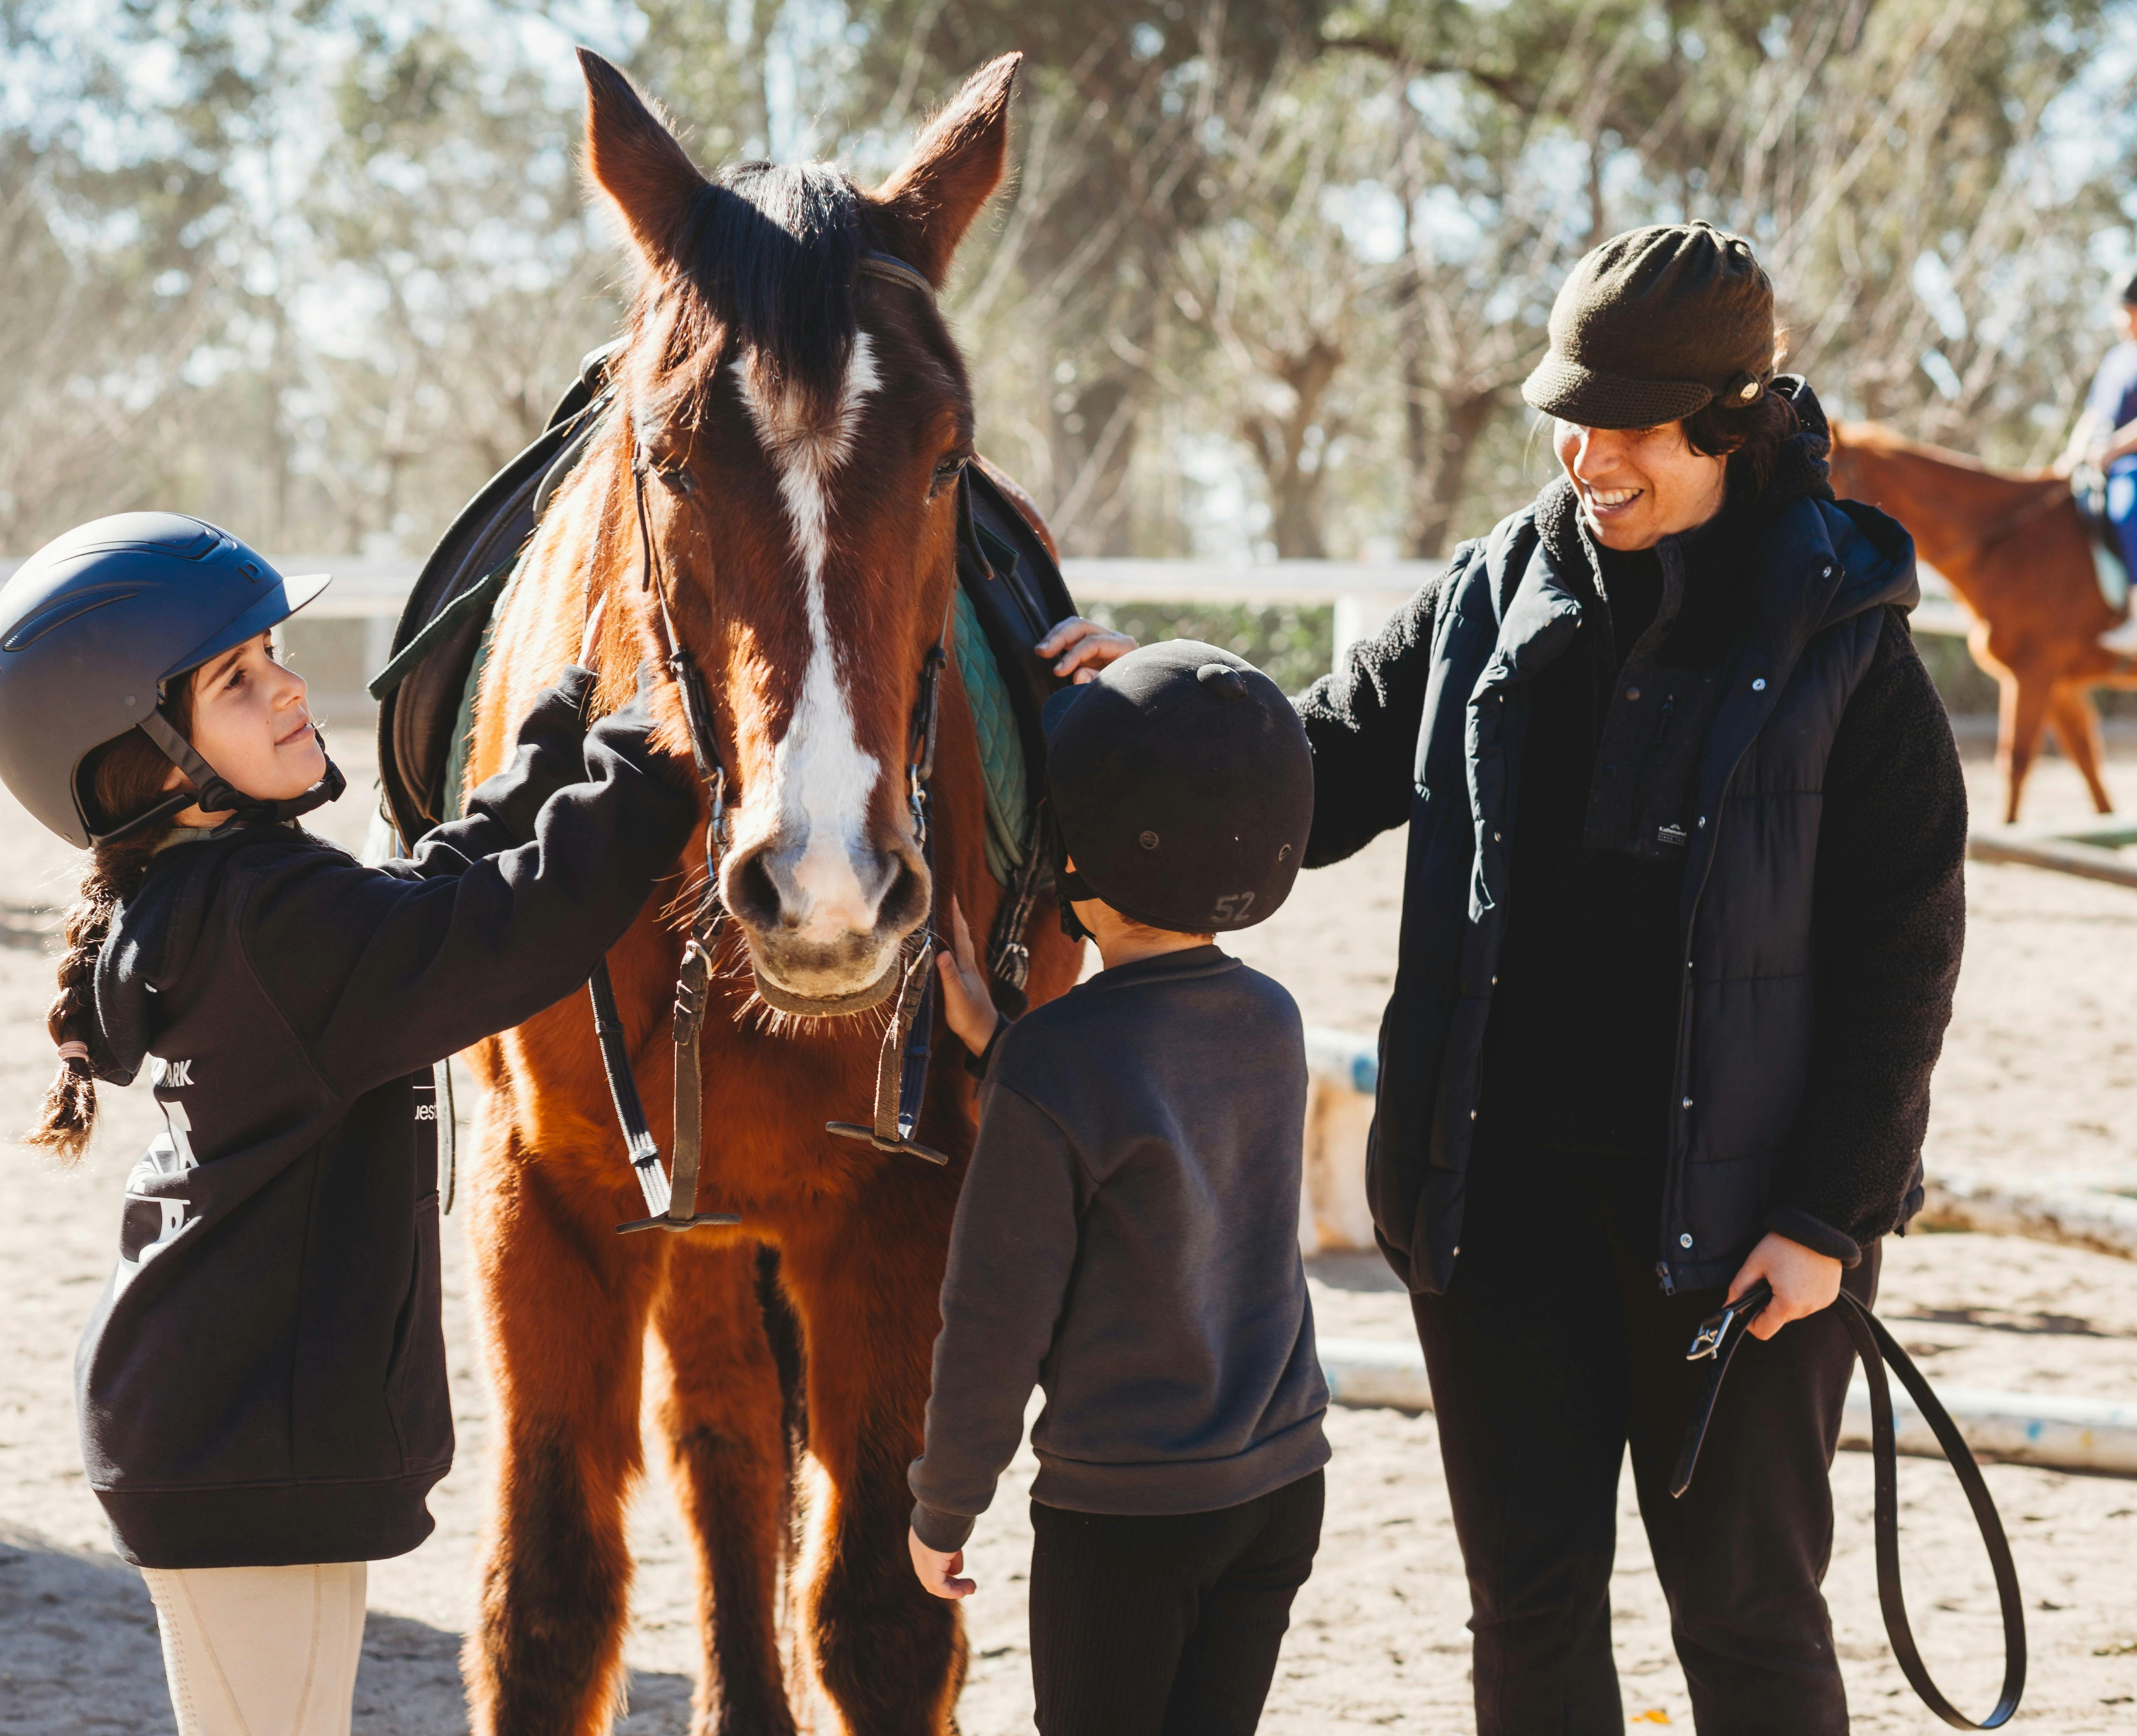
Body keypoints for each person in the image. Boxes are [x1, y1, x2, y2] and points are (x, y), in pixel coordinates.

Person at [1035, 222, 1968, 1733]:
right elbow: (1305, 776)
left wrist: (1823, 1216)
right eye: (1566, 419)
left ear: (1725, 421)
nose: (1585, 458)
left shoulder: (1844, 645)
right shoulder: (1485, 591)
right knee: (1524, 1614)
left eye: (1627, 429)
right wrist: (1150, 703)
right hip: (1491, 1219)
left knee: (1744, 1623)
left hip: (1738, 1243)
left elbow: (1903, 952)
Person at [0, 512, 696, 1736]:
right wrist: (658, 740)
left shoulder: (235, 896)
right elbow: (509, 929)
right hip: (244, 1434)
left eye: (273, 655)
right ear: (147, 759)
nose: (288, 687)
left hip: (234, 1423)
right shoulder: (270, 928)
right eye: (235, 681)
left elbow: (423, 896)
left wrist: (550, 748)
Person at [903, 641, 1329, 1736]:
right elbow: (1155, 1112)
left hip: (1128, 1513)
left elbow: (994, 1319)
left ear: (1075, 860)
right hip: (1282, 1485)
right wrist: (1003, 1046)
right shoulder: (1273, 1018)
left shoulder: (1056, 1064)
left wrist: (944, 1503)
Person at [2050, 269, 2137, 577]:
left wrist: (2111, 450)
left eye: (2129, 311)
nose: (2121, 320)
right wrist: (2071, 455)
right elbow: (2093, 414)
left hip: (2129, 464)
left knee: (2127, 507)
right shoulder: (2115, 359)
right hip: (2097, 462)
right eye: (2121, 311)